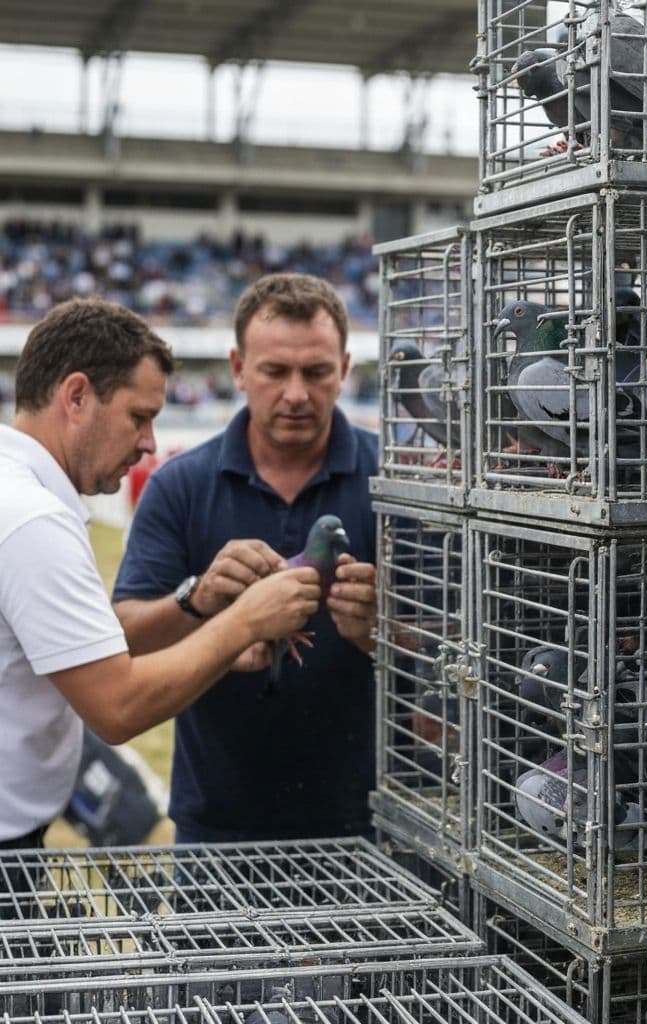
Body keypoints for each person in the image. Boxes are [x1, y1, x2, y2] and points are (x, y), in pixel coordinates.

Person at [0, 297, 322, 854]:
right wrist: (246, 620)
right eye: (138, 416)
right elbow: (118, 707)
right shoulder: (33, 519)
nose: (149, 441)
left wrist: (196, 602)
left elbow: (84, 656)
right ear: (76, 396)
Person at [112, 273, 378, 843]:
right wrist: (199, 600)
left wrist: (382, 629)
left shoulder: (395, 483)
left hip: (371, 822)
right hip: (217, 825)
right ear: (237, 368)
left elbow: (465, 655)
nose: (297, 394)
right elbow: (124, 639)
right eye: (274, 371)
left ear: (345, 368)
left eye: (317, 371)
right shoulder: (178, 486)